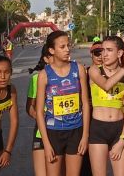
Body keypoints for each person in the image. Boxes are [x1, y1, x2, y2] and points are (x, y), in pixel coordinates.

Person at [36, 31, 90, 176]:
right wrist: (46, 144)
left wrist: (85, 136)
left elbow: (85, 103)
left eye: (68, 45)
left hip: (76, 130)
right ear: (51, 50)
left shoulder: (78, 69)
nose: (67, 49)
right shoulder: (44, 75)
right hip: (53, 132)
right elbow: (39, 112)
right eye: (62, 46)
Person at [87, 36, 124, 176]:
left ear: (120, 53)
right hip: (98, 129)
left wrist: (123, 140)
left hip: (118, 130)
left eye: (109, 50)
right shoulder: (94, 70)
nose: (104, 54)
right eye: (103, 50)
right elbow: (106, 85)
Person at [26, 46, 52, 176]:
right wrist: (41, 118)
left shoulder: (70, 76)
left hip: (63, 131)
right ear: (46, 59)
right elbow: (29, 108)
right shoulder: (36, 79)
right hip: (41, 133)